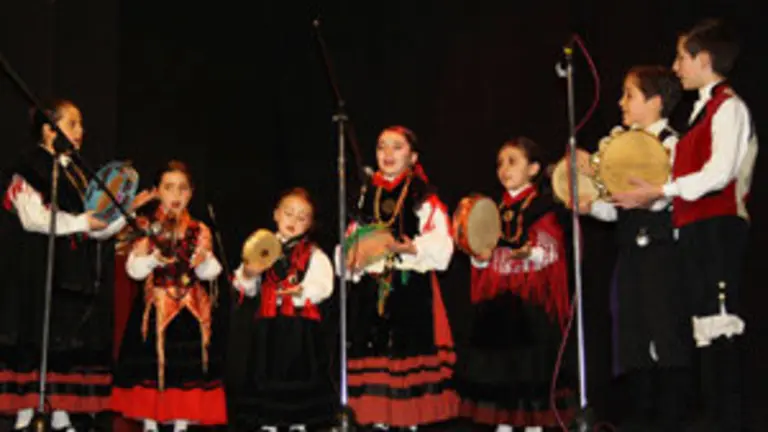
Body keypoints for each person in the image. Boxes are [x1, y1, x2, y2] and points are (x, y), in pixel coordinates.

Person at [612, 19, 758, 430]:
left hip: (718, 230)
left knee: (721, 328)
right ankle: (713, 419)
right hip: (694, 232)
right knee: (703, 333)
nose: (676, 67)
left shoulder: (729, 107)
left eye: (681, 58)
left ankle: (729, 420)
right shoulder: (700, 111)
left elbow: (720, 173)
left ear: (704, 59)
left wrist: (662, 189)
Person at [0, 100, 134, 431]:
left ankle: (60, 413)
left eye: (81, 124)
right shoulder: (30, 165)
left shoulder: (76, 172)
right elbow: (33, 218)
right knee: (34, 338)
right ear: (49, 129)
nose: (80, 131)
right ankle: (26, 415)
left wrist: (123, 216)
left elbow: (92, 227)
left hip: (69, 274)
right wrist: (83, 222)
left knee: (64, 343)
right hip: (35, 268)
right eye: (72, 123)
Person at [579, 66, 690, 431]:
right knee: (632, 335)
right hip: (630, 253)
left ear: (655, 102)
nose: (621, 103)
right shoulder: (620, 145)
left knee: (665, 332)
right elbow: (616, 208)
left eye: (630, 95)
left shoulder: (673, 144)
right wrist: (589, 204)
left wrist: (650, 196)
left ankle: (670, 418)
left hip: (662, 253)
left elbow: (670, 198)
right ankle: (639, 417)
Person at [340, 126, 457, 430]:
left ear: (413, 156)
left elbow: (442, 242)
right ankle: (378, 417)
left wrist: (412, 248)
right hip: (372, 288)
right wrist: (352, 258)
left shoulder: (422, 195)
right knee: (374, 350)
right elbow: (351, 239)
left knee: (407, 349)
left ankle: (409, 420)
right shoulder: (365, 194)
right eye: (382, 147)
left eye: (397, 147)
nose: (388, 153)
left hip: (409, 286)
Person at [456, 137, 574, 432]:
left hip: (529, 300)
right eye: (500, 164)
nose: (504, 169)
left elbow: (551, 250)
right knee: (498, 368)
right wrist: (479, 258)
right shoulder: (490, 208)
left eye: (512, 162)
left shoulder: (543, 207)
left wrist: (529, 253)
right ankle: (504, 424)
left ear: (533, 168)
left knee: (528, 367)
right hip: (497, 299)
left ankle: (533, 425)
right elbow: (483, 257)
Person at [110, 161, 227, 432]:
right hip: (155, 307)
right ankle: (150, 423)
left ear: (191, 193)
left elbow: (213, 271)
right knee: (150, 368)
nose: (176, 195)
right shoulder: (146, 227)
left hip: (189, 311)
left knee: (185, 370)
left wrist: (203, 262)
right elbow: (134, 270)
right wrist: (153, 259)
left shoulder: (199, 229)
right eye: (169, 187)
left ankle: (181, 422)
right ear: (157, 191)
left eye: (182, 189)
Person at [229, 187, 337, 432]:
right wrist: (249, 273)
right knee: (266, 376)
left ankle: (299, 423)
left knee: (299, 378)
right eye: (288, 213)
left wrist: (301, 292)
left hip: (300, 329)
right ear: (276, 214)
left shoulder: (314, 253)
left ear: (310, 224)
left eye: (302, 217)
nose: (293, 221)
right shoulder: (261, 247)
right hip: (267, 327)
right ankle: (268, 423)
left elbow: (324, 286)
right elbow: (246, 286)